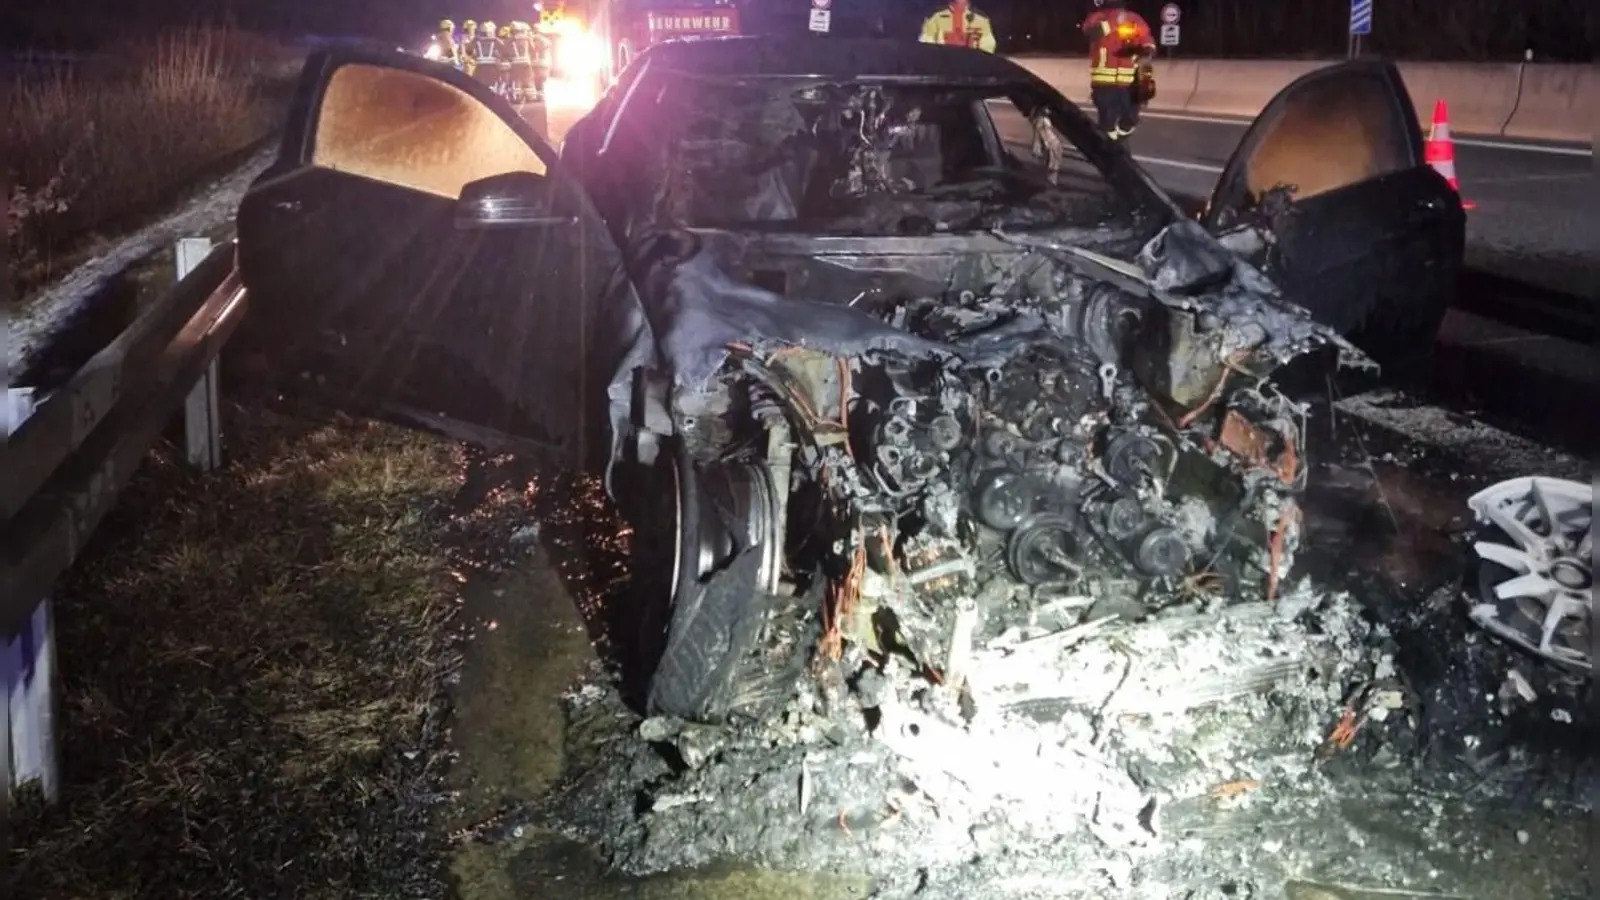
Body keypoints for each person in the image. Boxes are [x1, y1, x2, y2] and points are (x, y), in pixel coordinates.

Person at [1079, 0, 1155, 141]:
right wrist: (1115, 21)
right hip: (1104, 80)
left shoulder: (1134, 19)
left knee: (1131, 118)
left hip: (1128, 81)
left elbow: (1146, 38)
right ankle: (1109, 151)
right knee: (1107, 121)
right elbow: (1091, 32)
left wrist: (1148, 49)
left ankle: (1117, 141)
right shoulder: (1097, 17)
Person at [917, 0, 997, 53]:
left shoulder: (981, 19)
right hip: (942, 69)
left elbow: (988, 49)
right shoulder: (935, 17)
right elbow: (926, 48)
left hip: (973, 70)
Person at [472, 20, 504, 93]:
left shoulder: (476, 40)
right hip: (492, 67)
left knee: (480, 84)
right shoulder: (496, 41)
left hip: (479, 67)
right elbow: (504, 51)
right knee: (494, 84)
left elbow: (468, 50)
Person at [508, 23, 536, 103]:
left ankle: (517, 97)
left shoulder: (510, 39)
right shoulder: (527, 39)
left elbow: (505, 51)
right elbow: (533, 50)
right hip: (526, 63)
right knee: (528, 79)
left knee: (517, 80)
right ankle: (530, 97)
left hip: (515, 64)